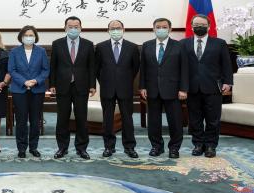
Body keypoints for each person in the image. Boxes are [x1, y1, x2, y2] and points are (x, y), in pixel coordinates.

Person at [181, 14, 233, 158]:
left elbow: (226, 65)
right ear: (191, 27)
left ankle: (210, 145)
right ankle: (198, 144)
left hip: (213, 87)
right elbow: (180, 67)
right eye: (196, 24)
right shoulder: (183, 43)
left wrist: (228, 82)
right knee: (195, 118)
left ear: (209, 26)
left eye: (202, 25)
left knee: (213, 119)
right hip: (192, 87)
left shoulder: (220, 43)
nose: (199, 27)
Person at [139, 18, 188, 159]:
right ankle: (156, 146)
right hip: (152, 89)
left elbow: (184, 69)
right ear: (153, 29)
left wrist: (183, 89)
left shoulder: (179, 46)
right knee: (153, 121)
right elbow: (144, 68)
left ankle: (174, 148)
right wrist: (142, 86)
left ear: (170, 29)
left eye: (164, 27)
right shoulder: (146, 46)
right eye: (158, 27)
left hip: (173, 90)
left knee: (175, 121)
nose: (161, 29)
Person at [50, 16, 96, 160]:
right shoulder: (57, 44)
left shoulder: (88, 44)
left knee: (81, 118)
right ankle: (62, 148)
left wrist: (92, 85)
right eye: (70, 26)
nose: (73, 29)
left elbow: (91, 67)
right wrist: (52, 84)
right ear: (65, 28)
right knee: (62, 118)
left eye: (76, 26)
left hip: (81, 86)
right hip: (62, 86)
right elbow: (53, 66)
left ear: (81, 28)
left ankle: (82, 148)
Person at [95, 20, 139, 158]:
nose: (115, 30)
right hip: (107, 87)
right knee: (107, 119)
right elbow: (97, 69)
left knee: (127, 118)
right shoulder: (101, 47)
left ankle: (129, 147)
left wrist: (124, 80)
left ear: (123, 29)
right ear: (108, 30)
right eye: (112, 28)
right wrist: (105, 81)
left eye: (118, 28)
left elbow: (135, 68)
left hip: (125, 88)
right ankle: (109, 147)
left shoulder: (132, 47)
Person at [8, 25, 49, 158]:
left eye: (31, 35)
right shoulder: (14, 52)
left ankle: (33, 147)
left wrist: (36, 81)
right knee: (21, 120)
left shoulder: (41, 51)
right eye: (26, 35)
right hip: (19, 90)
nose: (29, 37)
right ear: (21, 37)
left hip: (37, 90)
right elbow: (12, 70)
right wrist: (24, 82)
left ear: (35, 37)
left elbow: (45, 70)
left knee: (35, 120)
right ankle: (21, 148)